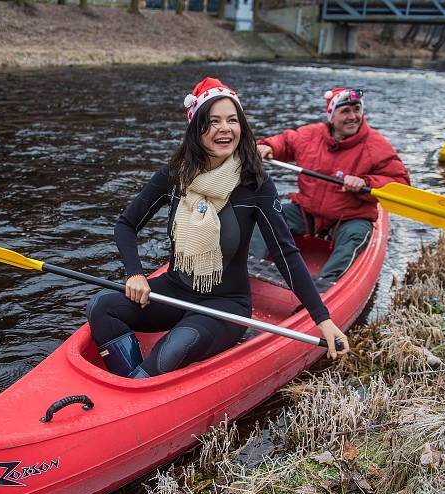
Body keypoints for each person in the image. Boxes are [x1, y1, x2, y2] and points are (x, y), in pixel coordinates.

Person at [86, 77, 349, 379]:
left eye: (232, 120)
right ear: (196, 128)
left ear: (242, 127)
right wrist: (135, 273)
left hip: (225, 305)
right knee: (101, 307)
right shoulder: (175, 174)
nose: (225, 129)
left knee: (176, 346)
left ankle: (135, 387)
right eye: (213, 121)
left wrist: (323, 319)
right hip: (174, 290)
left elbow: (286, 254)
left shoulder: (255, 183)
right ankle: (131, 381)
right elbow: (126, 225)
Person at [252, 88, 410, 285]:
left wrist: (366, 183)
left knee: (353, 238)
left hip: (351, 218)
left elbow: (400, 182)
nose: (353, 116)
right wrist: (269, 146)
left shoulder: (377, 146)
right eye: (345, 111)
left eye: (357, 109)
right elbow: (285, 142)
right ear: (331, 116)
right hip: (308, 213)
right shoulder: (311, 135)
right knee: (265, 216)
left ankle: (325, 287)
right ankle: (246, 266)